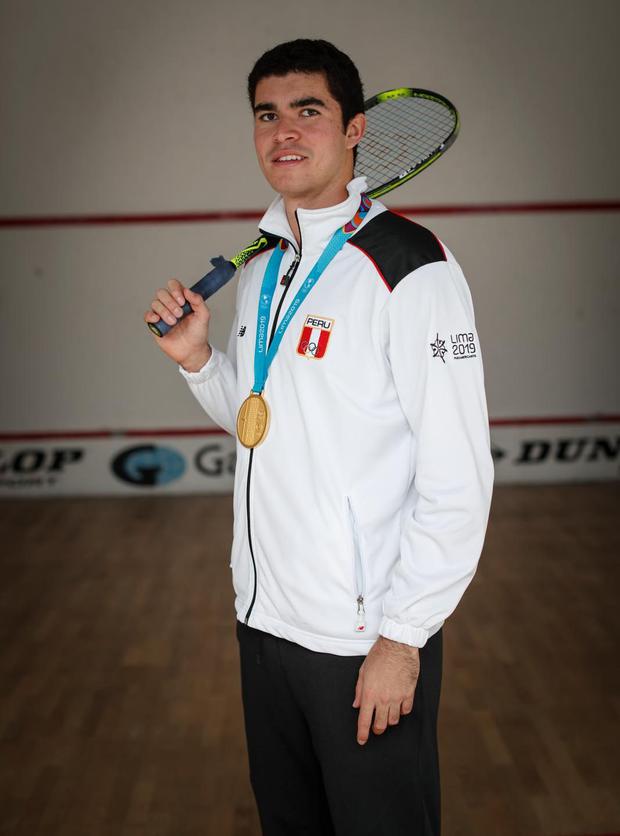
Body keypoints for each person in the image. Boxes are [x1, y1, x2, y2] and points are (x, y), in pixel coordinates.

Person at [145, 38, 494, 836]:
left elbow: (459, 478)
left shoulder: (411, 266)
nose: (285, 132)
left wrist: (403, 639)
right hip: (264, 626)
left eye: (309, 111)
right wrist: (200, 360)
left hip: (362, 640)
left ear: (355, 129)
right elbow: (263, 425)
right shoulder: (266, 264)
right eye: (267, 115)